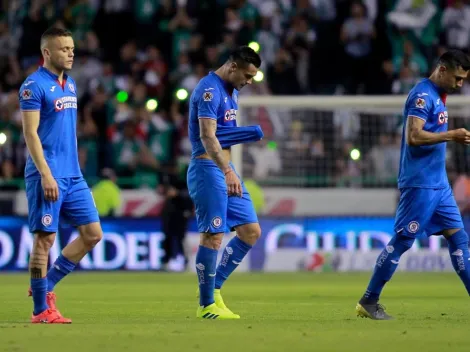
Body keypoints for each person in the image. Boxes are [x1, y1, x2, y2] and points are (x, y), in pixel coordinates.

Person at [356, 49, 470, 320]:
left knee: (460, 238)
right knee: (403, 240)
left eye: (463, 80)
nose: (460, 85)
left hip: (439, 184)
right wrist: (451, 136)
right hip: (419, 183)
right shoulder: (422, 95)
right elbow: (414, 137)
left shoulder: (439, 96)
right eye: (457, 78)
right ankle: (369, 301)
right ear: (442, 69)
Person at [19, 27, 102, 324]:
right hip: (47, 174)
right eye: (64, 48)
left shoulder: (71, 84)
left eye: (71, 48)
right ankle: (41, 310)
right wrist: (46, 174)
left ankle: (45, 286)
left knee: (93, 234)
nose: (70, 53)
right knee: (45, 239)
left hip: (73, 175)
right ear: (47, 53)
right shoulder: (33, 86)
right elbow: (30, 133)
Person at [187, 46, 263, 320]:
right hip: (209, 168)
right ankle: (206, 306)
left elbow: (223, 134)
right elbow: (207, 136)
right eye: (248, 74)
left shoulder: (232, 92)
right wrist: (228, 171)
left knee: (251, 231)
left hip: (224, 168)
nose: (250, 81)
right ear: (232, 67)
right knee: (213, 235)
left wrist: (247, 134)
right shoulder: (209, 90)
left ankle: (213, 290)